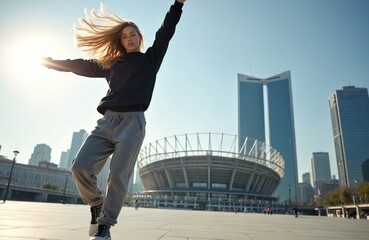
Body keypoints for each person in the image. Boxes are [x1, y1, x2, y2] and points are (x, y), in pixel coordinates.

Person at [43, 1, 186, 239]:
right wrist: (52, 63)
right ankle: (96, 203)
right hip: (107, 122)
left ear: (140, 38)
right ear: (120, 41)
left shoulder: (151, 59)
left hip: (132, 123)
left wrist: (177, 5)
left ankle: (104, 227)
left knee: (118, 175)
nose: (129, 39)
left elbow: (166, 31)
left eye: (133, 35)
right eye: (125, 36)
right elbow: (81, 66)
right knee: (79, 166)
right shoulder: (112, 64)